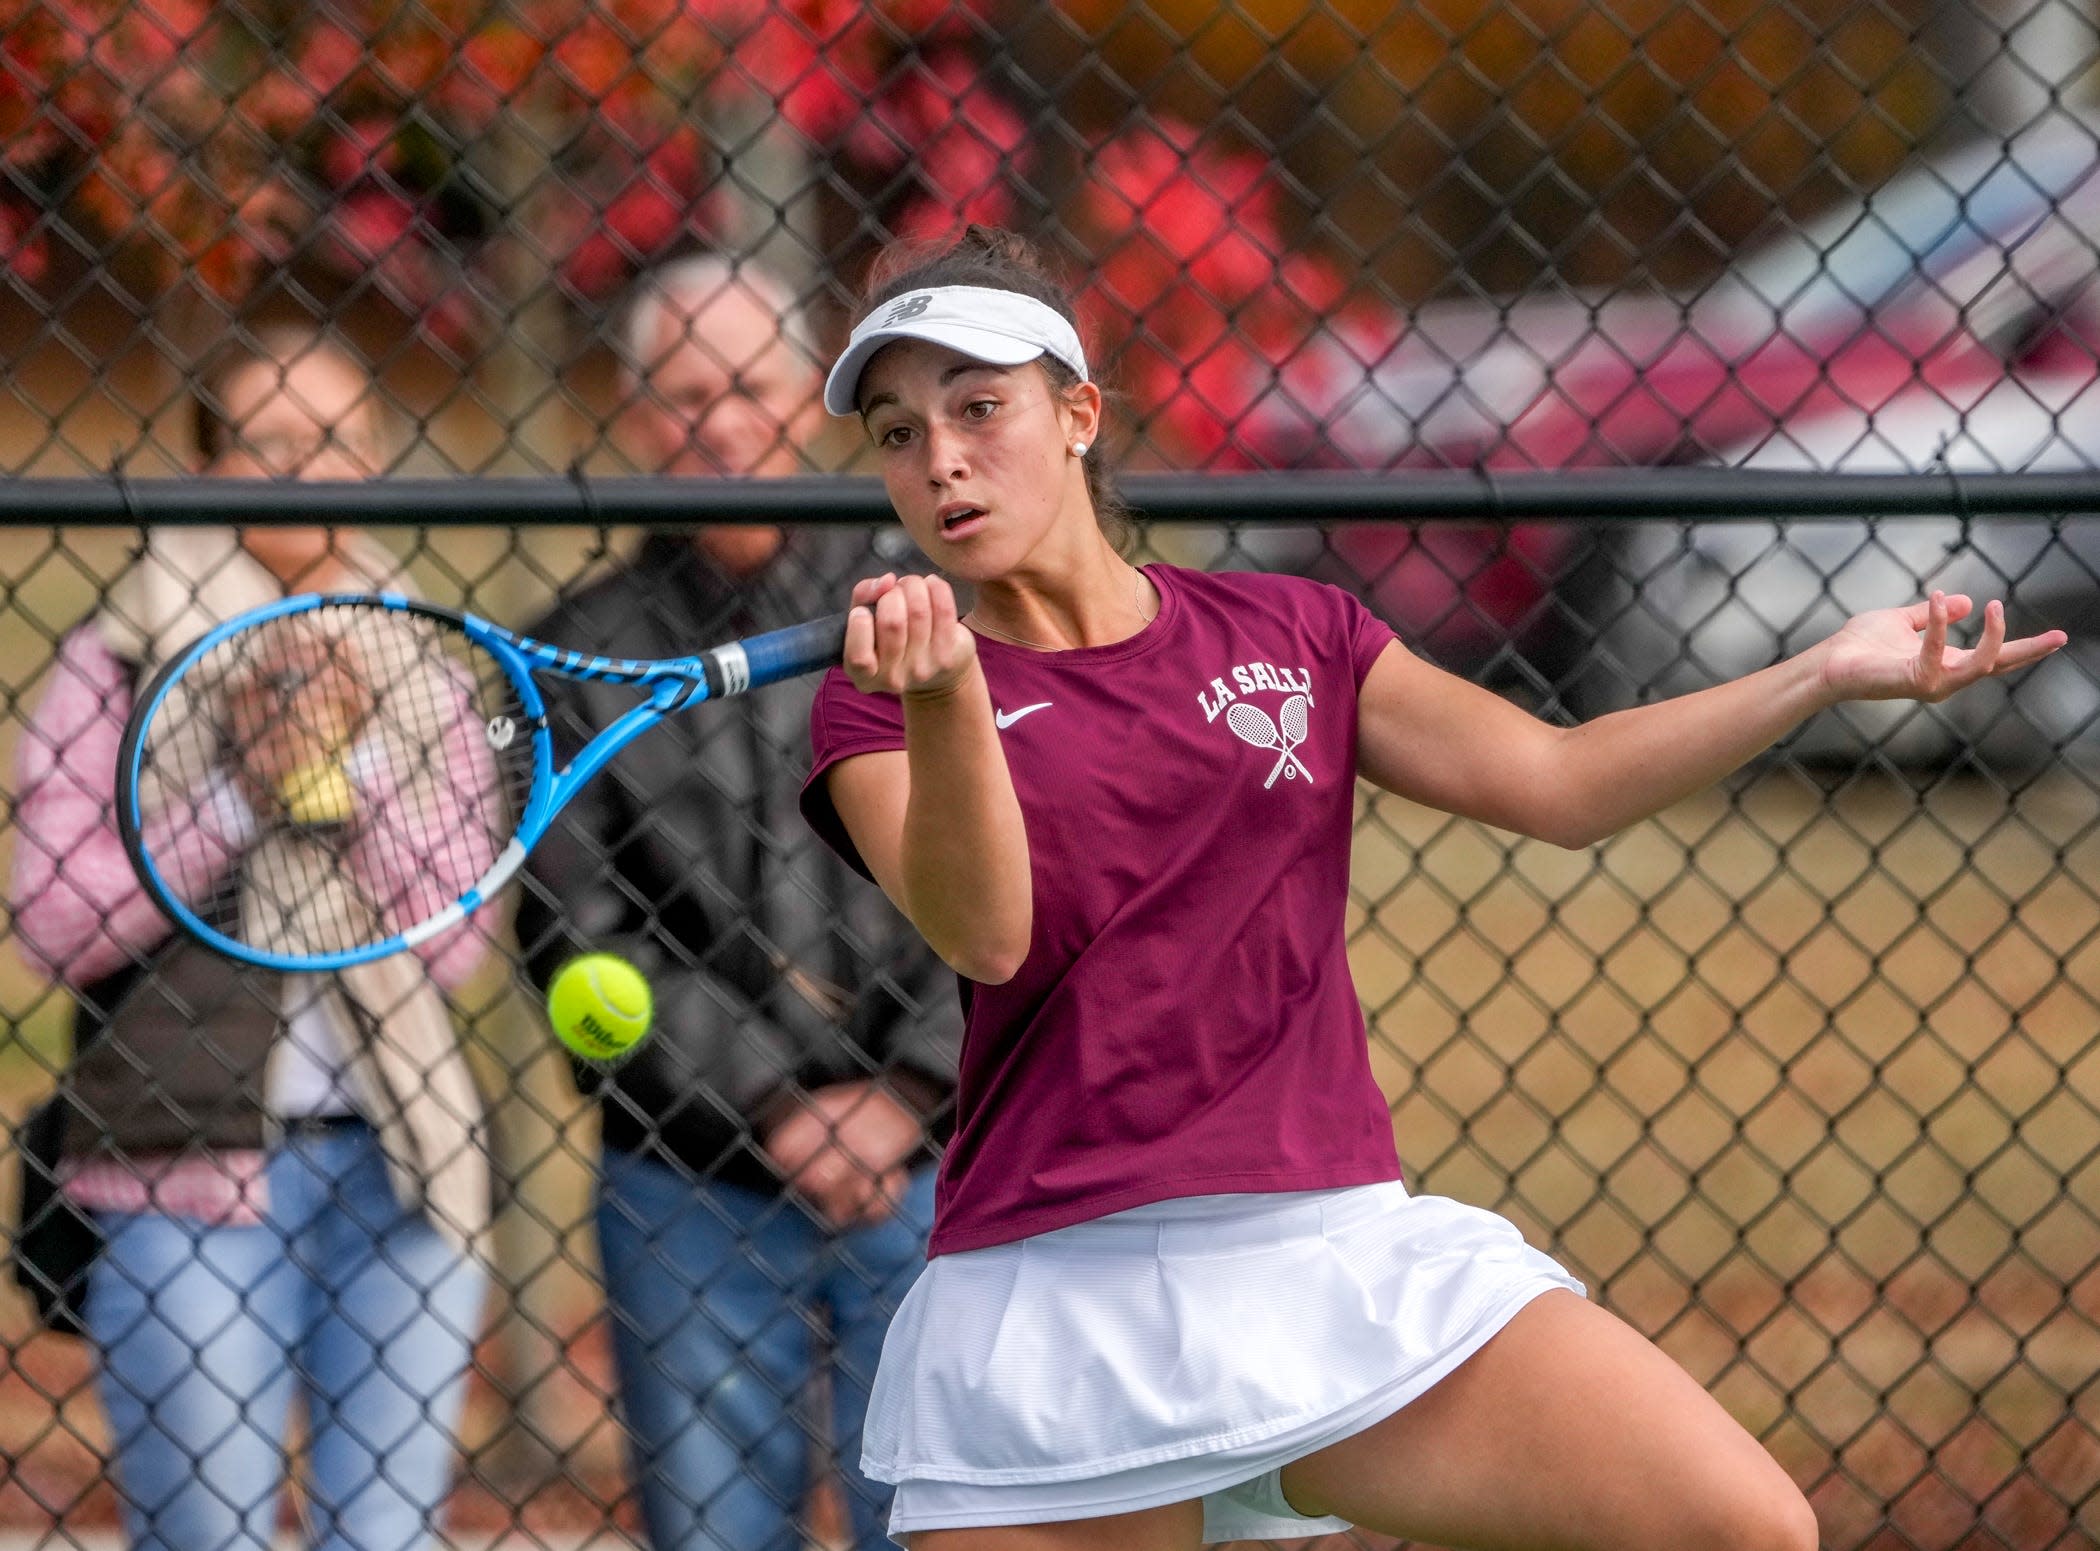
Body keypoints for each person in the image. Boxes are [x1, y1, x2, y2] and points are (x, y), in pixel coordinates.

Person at [797, 226, 2071, 1551]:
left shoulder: (1297, 630)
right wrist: (948, 699)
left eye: (979, 406)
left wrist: (1819, 671)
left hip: (1325, 1253)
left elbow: (1561, 782)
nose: (939, 457)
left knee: (1745, 1522)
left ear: (1076, 413)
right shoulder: (876, 700)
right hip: (1052, 1297)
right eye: (896, 430)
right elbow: (988, 932)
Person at [8, 327, 496, 1551]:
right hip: (180, 1176)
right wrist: (238, 788)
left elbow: (458, 943)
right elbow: (53, 924)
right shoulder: (118, 657)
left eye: (338, 441)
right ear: (209, 463)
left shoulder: (425, 667)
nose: (307, 469)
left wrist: (358, 754)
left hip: (401, 1171)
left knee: (385, 1537)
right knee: (206, 1535)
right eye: (270, 443)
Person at [513, 255, 960, 1551]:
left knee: (943, 1522)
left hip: (935, 1166)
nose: (721, 420)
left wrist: (910, 1090)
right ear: (639, 412)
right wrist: (772, 1097)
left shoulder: (925, 609)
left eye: (751, 385)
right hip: (689, 1179)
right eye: (684, 391)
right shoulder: (578, 655)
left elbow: (1011, 872)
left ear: (804, 397)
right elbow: (574, 940)